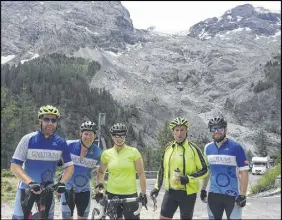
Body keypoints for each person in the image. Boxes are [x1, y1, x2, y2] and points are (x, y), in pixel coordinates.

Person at [10, 105, 74, 220]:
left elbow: (69, 167)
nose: (50, 123)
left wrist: (62, 182)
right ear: (40, 120)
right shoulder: (28, 139)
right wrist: (30, 182)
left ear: (56, 122)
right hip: (26, 189)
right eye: (46, 119)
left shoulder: (61, 143)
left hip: (47, 190)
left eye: (53, 120)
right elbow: (15, 166)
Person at [150, 117, 209, 220]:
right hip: (170, 192)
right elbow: (162, 169)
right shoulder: (168, 148)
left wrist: (188, 178)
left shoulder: (194, 149)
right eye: (177, 130)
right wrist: (157, 187)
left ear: (186, 131)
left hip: (188, 193)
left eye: (182, 130)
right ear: (173, 132)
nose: (179, 133)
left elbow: (204, 170)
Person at [200, 116, 249, 220]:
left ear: (225, 129)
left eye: (219, 128)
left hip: (233, 196)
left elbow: (244, 171)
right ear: (210, 131)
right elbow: (207, 171)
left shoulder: (236, 147)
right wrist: (203, 189)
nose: (216, 131)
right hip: (213, 195)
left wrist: (243, 194)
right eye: (213, 129)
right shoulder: (207, 148)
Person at [96, 123, 148, 219]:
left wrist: (143, 193)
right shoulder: (106, 154)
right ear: (112, 137)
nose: (119, 139)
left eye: (122, 136)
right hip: (112, 194)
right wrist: (99, 190)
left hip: (130, 194)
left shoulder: (134, 152)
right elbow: (101, 172)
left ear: (125, 136)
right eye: (116, 136)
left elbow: (141, 174)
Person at [60, 121, 102, 219]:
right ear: (80, 134)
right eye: (85, 134)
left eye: (91, 134)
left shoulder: (98, 153)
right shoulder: (69, 145)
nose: (88, 137)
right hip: (67, 189)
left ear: (95, 136)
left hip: (84, 191)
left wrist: (99, 189)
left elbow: (100, 172)